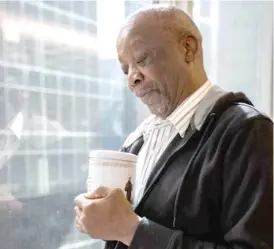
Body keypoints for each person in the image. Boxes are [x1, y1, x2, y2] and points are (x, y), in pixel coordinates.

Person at [74, 6, 273, 249]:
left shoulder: (248, 133)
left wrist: (132, 230)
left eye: (141, 59)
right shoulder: (137, 142)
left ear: (188, 49)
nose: (131, 78)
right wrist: (103, 220)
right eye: (126, 69)